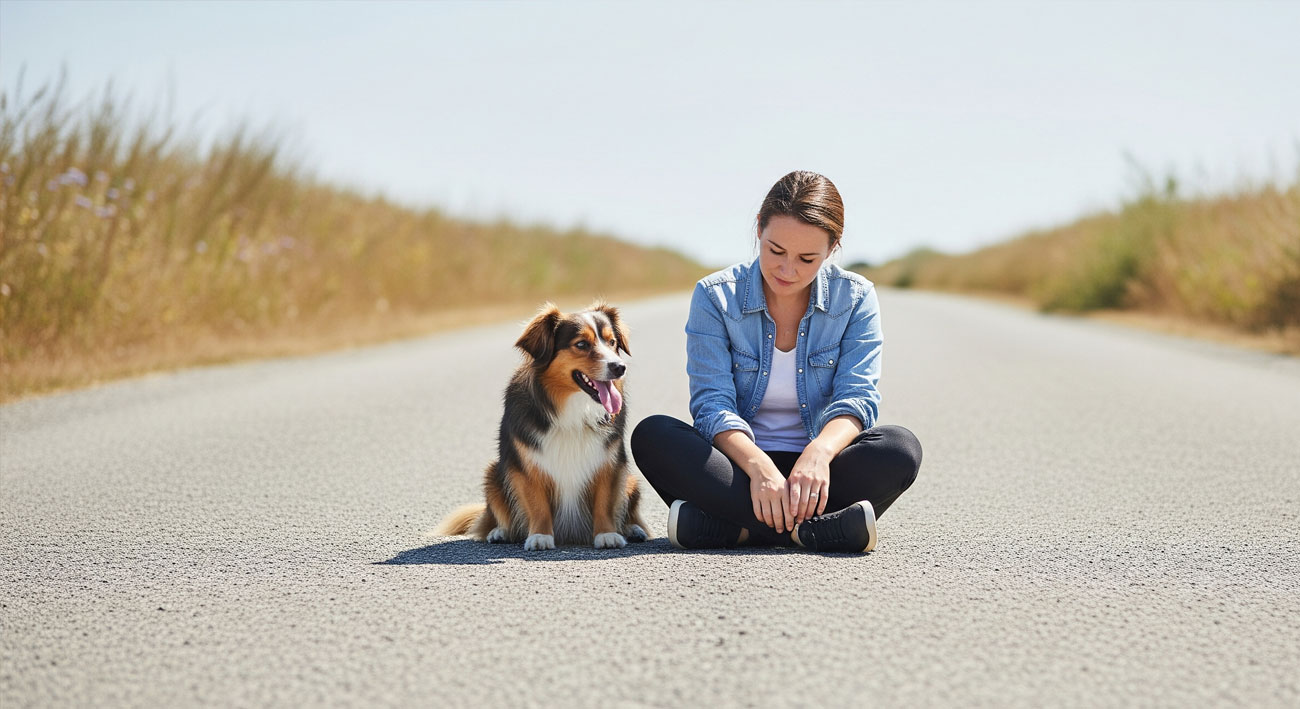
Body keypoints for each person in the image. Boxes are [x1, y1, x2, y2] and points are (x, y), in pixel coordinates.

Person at [630, 170, 922, 553]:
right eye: (776, 251)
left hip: (822, 473)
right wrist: (757, 467)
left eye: (806, 258)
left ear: (833, 248)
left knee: (900, 448)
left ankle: (737, 530)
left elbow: (857, 398)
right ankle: (817, 532)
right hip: (736, 468)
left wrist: (817, 454)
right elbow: (711, 404)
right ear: (759, 230)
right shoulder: (715, 297)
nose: (787, 270)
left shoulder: (855, 298)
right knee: (652, 435)